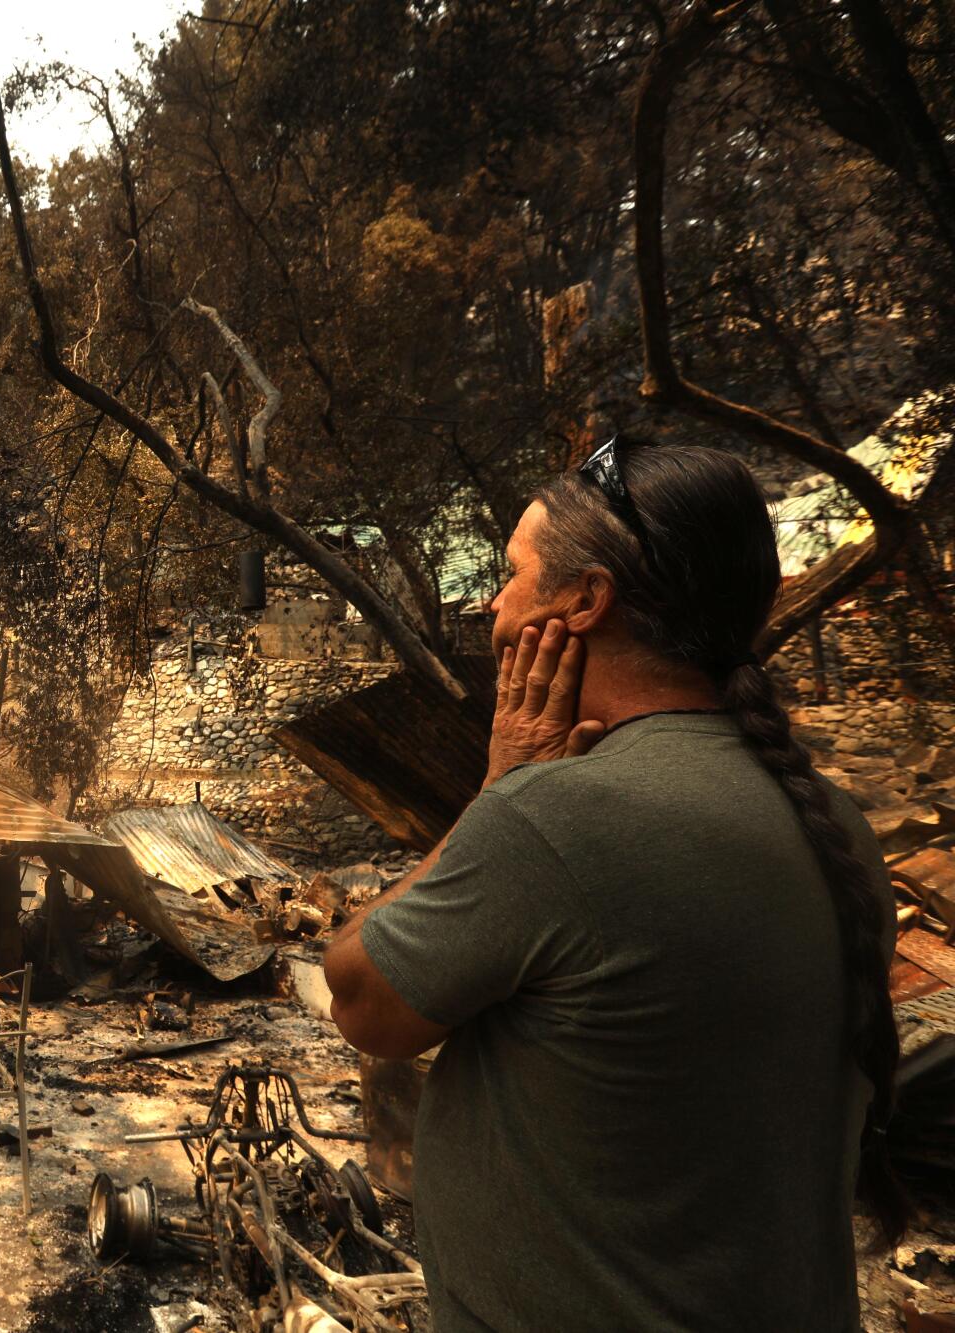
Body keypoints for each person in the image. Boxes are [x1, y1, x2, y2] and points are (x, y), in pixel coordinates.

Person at [322, 440, 901, 1331]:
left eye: (513, 576)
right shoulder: (838, 826)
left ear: (585, 601)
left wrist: (497, 786)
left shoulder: (554, 820)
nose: (493, 602)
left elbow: (361, 997)